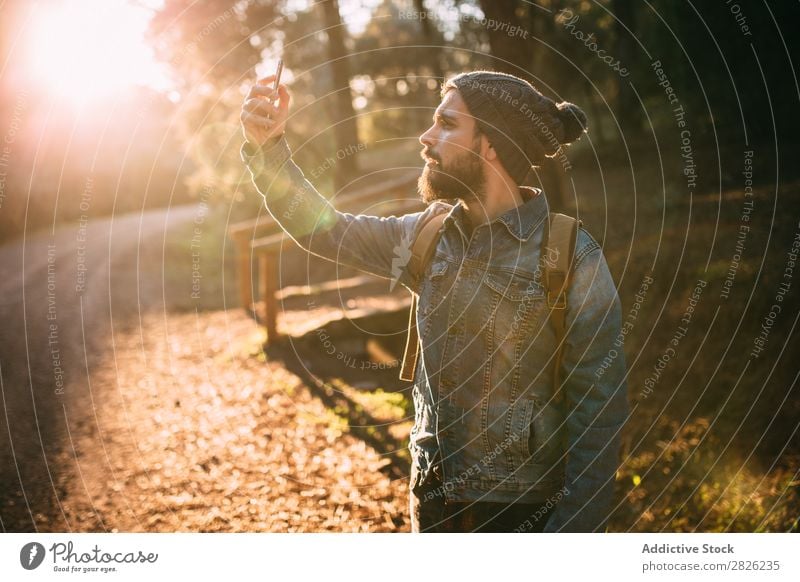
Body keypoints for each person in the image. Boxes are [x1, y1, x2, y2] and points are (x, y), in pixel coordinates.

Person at [240, 70, 629, 533]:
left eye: (446, 124)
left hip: (523, 514)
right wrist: (270, 146)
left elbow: (599, 414)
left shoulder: (571, 258)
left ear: (491, 143)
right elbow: (322, 229)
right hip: (433, 501)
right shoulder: (426, 236)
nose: (426, 138)